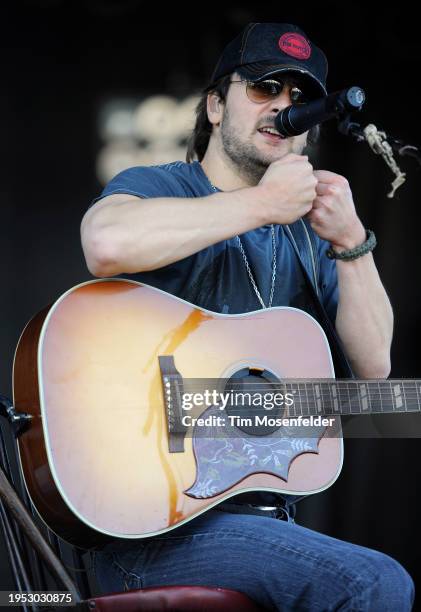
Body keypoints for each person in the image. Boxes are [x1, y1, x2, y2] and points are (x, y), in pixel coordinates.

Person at [81, 22, 414, 612]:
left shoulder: (314, 239)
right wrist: (263, 204)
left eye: (300, 99)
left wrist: (354, 242)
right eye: (264, 89)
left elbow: (376, 375)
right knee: (375, 583)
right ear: (214, 105)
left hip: (262, 523)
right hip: (149, 526)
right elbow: (105, 242)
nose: (284, 107)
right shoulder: (163, 187)